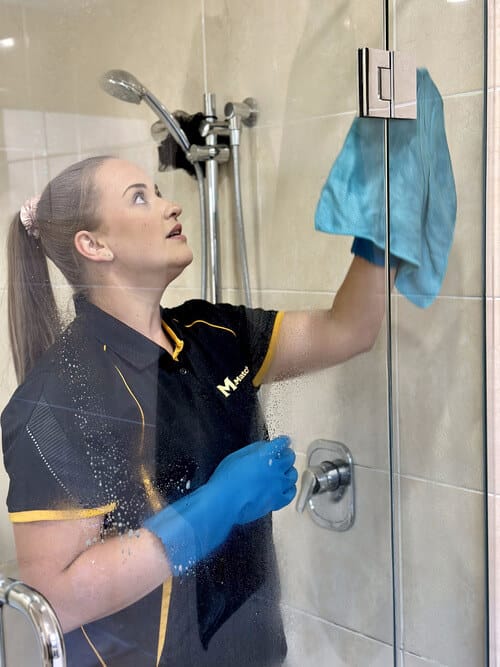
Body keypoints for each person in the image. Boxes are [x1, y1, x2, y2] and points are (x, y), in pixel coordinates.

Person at [2, 156, 391, 666]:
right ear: (93, 245)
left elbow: (349, 330)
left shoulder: (213, 333)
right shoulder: (55, 398)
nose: (171, 206)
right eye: (140, 197)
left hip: (253, 651)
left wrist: (380, 235)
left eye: (158, 191)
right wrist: (217, 505)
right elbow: (58, 598)